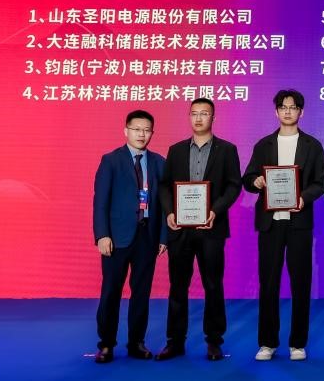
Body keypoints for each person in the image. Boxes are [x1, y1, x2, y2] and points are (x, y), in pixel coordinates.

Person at [243, 89, 324, 361]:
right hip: (270, 223)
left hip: (299, 222)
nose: (288, 111)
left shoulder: (312, 146)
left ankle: (297, 343)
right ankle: (267, 342)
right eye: (283, 107)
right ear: (276, 111)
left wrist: (303, 197)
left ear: (301, 112)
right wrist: (256, 181)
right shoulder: (263, 145)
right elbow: (248, 177)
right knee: (268, 283)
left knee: (301, 282)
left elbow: (320, 183)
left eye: (293, 107)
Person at [156, 97, 242, 362]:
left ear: (213, 118)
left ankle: (214, 341)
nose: (198, 118)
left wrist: (215, 210)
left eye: (204, 113)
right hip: (180, 229)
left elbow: (234, 185)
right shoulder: (176, 150)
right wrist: (170, 212)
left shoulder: (227, 150)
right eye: (194, 113)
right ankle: (175, 342)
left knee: (213, 285)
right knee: (177, 286)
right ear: (189, 117)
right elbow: (165, 185)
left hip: (211, 229)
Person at [92, 110, 167, 363]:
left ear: (152, 133)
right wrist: (102, 235)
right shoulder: (110, 160)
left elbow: (165, 204)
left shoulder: (159, 162)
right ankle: (106, 344)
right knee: (111, 292)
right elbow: (100, 202)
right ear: (126, 131)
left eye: (147, 130)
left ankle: (136, 343)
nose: (141, 134)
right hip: (116, 238)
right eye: (137, 129)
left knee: (141, 293)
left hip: (147, 237)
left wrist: (163, 237)